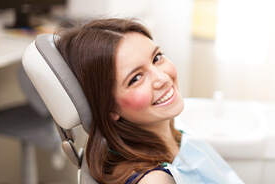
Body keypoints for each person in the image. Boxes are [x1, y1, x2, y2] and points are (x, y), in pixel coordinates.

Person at [54, 18, 243, 184]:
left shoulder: (174, 139)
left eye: (157, 58)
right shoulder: (155, 180)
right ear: (109, 107)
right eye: (136, 78)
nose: (162, 78)